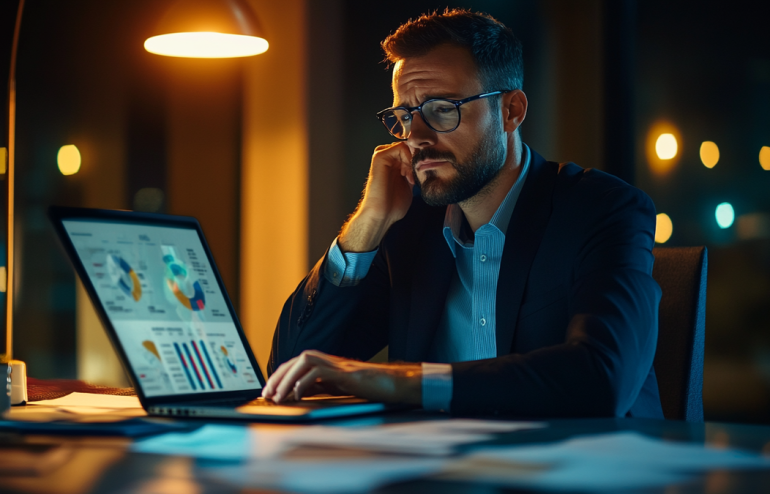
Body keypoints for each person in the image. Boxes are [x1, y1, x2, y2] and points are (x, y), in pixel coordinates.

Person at [262, 8, 664, 418]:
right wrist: (367, 223)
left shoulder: (602, 210)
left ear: (511, 111)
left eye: (441, 109)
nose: (415, 138)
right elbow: (287, 370)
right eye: (404, 117)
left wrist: (399, 381)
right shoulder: (409, 228)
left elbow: (600, 379)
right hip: (442, 471)